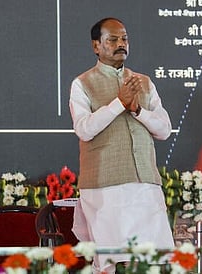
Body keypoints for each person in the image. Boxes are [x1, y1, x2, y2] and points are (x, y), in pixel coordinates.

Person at [69, 17, 174, 269]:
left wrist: (137, 109)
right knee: (113, 262)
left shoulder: (144, 82)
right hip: (106, 187)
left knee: (153, 260)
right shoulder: (82, 83)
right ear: (96, 46)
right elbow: (84, 129)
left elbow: (164, 130)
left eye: (124, 38)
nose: (121, 44)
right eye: (112, 39)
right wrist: (119, 103)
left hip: (145, 184)